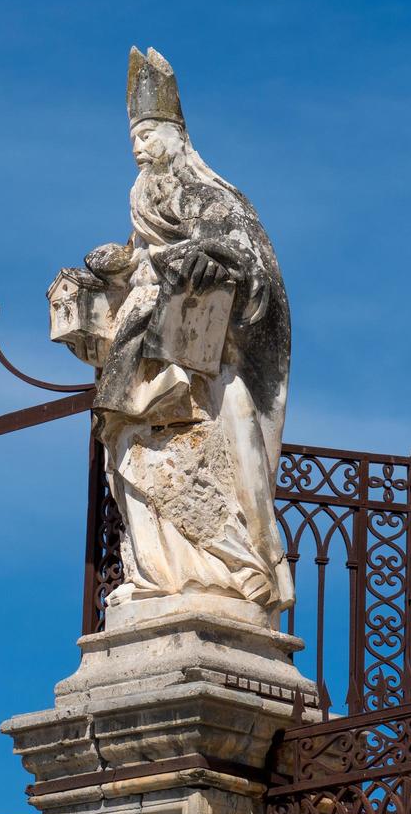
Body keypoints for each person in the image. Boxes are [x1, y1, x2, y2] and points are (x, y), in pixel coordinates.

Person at [81, 47, 293, 617]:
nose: (138, 146)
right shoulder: (140, 197)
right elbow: (141, 257)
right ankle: (156, 570)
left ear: (176, 135)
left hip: (193, 357)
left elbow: (248, 256)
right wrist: (118, 267)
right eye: (135, 138)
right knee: (126, 447)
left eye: (148, 134)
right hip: (141, 340)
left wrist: (207, 256)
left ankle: (218, 571)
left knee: (181, 450)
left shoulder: (204, 192)